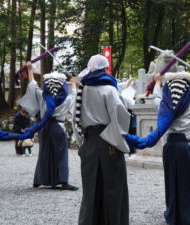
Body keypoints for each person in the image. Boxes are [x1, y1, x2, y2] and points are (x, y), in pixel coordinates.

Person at [124, 71, 190, 225]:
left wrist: (158, 82)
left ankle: (175, 213)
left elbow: (157, 98)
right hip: (186, 147)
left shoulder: (165, 107)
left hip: (170, 147)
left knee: (172, 182)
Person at [73, 54, 130, 225]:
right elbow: (120, 117)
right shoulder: (109, 90)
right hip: (109, 141)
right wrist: (118, 142)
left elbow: (76, 121)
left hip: (89, 141)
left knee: (90, 189)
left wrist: (83, 144)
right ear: (105, 69)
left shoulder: (81, 91)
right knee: (113, 188)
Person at [19, 62, 78, 191]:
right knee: (62, 154)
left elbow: (33, 85)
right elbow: (74, 95)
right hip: (58, 126)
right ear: (62, 85)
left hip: (44, 126)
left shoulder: (42, 96)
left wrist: (30, 70)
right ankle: (63, 181)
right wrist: (73, 83)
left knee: (44, 152)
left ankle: (38, 181)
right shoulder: (66, 99)